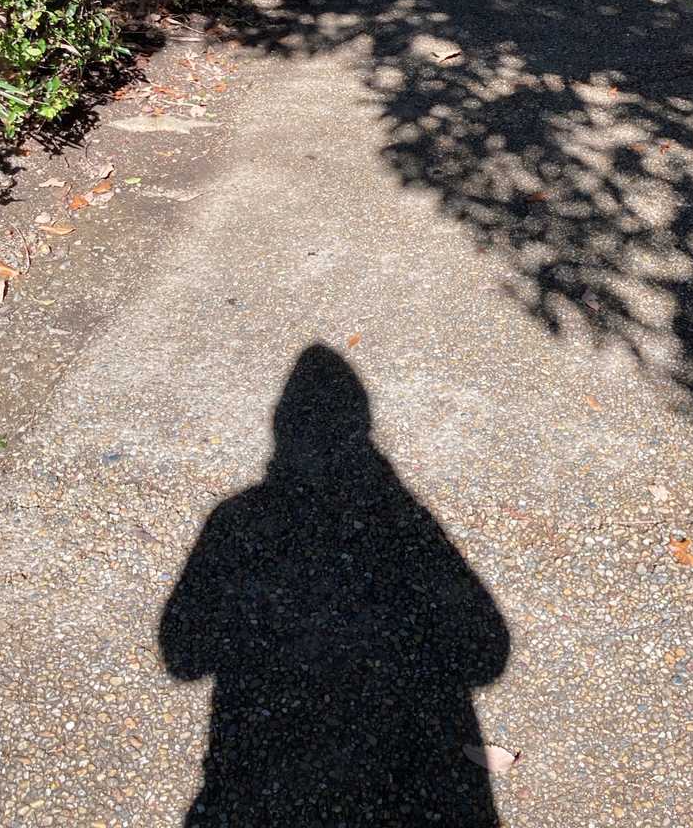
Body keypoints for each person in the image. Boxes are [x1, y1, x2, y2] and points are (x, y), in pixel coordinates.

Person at [160, 342, 509, 826]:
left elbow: (183, 656)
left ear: (282, 426)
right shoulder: (400, 516)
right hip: (404, 786)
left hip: (259, 790)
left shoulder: (237, 519)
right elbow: (487, 654)